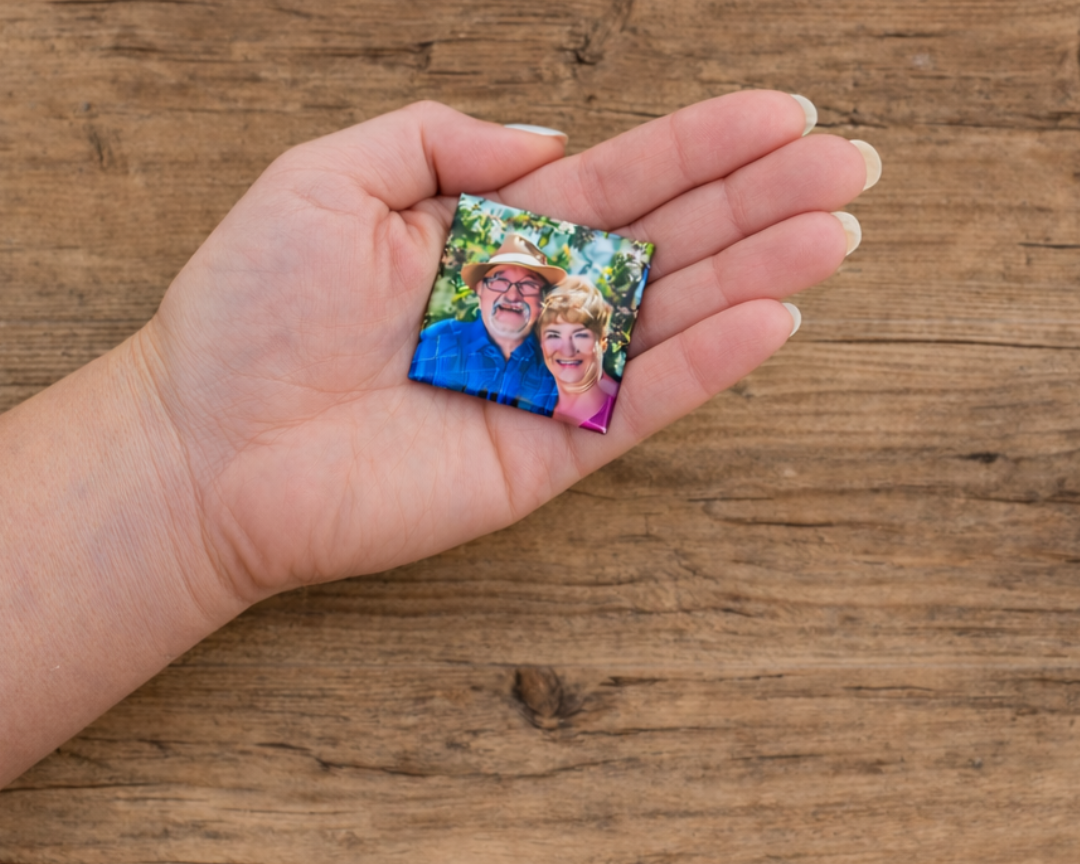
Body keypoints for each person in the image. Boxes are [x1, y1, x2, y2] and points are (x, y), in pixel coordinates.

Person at [0, 93, 879, 786]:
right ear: (480, 285)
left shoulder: (559, 361)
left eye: (529, 288)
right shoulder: (448, 344)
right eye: (499, 282)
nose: (514, 298)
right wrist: (182, 444)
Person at [409, 233, 566, 414]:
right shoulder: (435, 341)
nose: (512, 296)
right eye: (499, 281)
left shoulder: (556, 368)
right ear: (479, 289)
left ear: (542, 300)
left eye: (528, 284)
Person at [538, 276, 621, 432]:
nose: (567, 350)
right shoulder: (536, 401)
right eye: (553, 335)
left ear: (603, 341)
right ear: (542, 343)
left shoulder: (619, 411)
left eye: (580, 335)